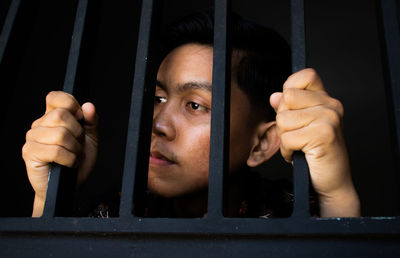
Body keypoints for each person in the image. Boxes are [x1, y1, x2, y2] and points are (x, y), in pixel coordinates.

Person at [22, 11, 360, 218]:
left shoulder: (291, 210)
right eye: (157, 97)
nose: (158, 124)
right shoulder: (120, 208)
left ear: (262, 143)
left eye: (195, 105)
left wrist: (337, 194)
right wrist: (52, 198)